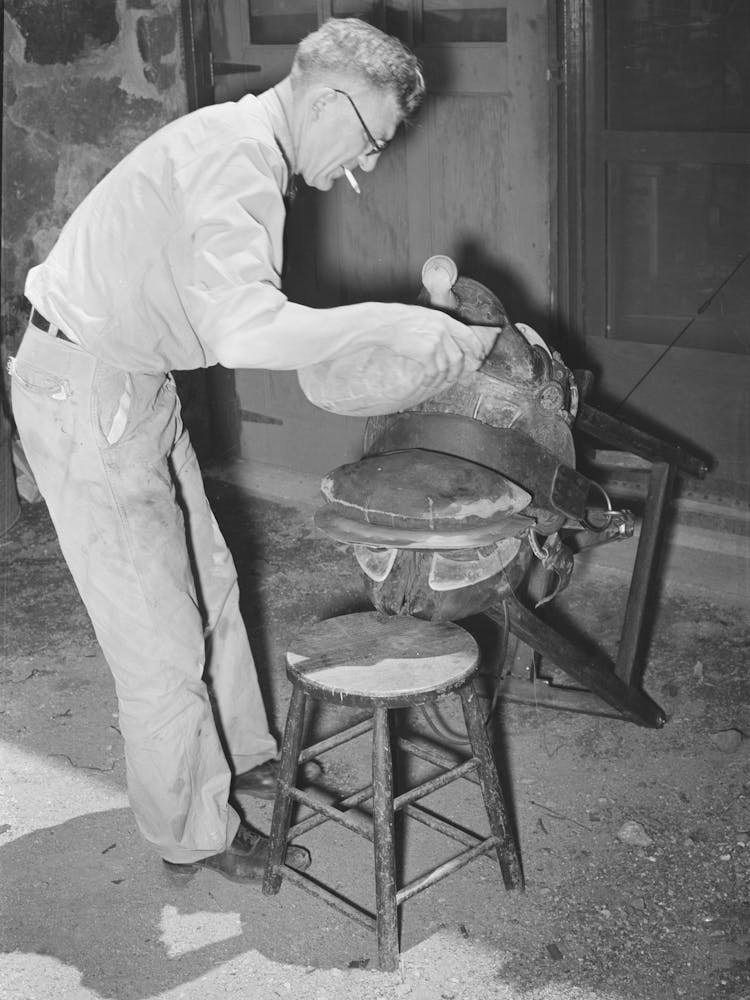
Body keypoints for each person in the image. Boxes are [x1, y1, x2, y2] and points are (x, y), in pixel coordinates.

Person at [8, 18, 498, 884]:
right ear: (326, 95)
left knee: (212, 588)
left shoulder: (246, 148)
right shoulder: (236, 157)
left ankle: (238, 755)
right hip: (88, 389)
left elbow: (243, 321)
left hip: (135, 379)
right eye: (373, 137)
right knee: (158, 643)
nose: (369, 164)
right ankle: (191, 834)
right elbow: (245, 331)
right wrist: (400, 323)